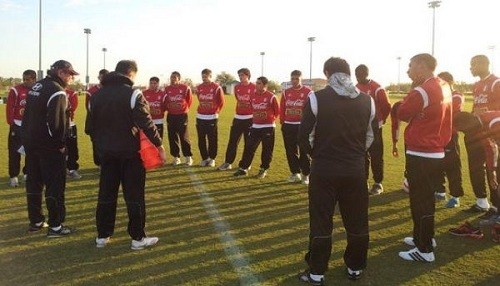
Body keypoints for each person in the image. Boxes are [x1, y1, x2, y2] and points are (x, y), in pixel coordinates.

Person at [297, 57, 376, 284]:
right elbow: (371, 137)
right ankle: (355, 267)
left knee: (321, 220)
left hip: (324, 169)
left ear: (327, 72)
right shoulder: (367, 101)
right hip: (354, 169)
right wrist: (353, 155)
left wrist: (318, 154)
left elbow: (303, 136)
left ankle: (317, 272)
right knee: (357, 220)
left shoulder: (316, 98)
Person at [87, 60, 166, 250]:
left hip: (106, 154)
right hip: (131, 154)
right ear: (131, 73)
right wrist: (159, 145)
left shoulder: (96, 96)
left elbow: (89, 128)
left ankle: (102, 236)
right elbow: (146, 124)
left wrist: (102, 145)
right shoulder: (134, 94)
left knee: (106, 194)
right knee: (134, 196)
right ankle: (138, 238)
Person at [396, 53, 452, 262]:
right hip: (434, 150)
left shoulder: (423, 89)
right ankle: (423, 237)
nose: (408, 70)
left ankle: (425, 249)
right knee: (424, 198)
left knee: (421, 200)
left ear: (421, 65)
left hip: (422, 151)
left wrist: (403, 102)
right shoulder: (443, 84)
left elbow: (402, 112)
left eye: (411, 66)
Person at [21, 60, 78, 236]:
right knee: (55, 186)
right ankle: (56, 226)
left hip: (31, 145)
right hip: (50, 148)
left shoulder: (37, 85)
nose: (71, 78)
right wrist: (61, 146)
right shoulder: (57, 91)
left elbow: (27, 117)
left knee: (34, 184)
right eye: (69, 74)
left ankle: (36, 221)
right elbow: (57, 125)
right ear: (61, 72)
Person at [465, 55, 500, 214]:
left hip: (491, 134)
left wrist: (486, 113)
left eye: (473, 65)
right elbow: (475, 107)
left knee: (492, 168)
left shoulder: (495, 83)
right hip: (475, 133)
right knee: (475, 167)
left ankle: (496, 205)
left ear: (483, 64)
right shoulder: (477, 85)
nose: (471, 68)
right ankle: (481, 201)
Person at [453, 111, 500, 225]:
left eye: (463, 129)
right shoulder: (479, 124)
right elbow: (490, 150)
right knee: (496, 177)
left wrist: (493, 171)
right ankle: (496, 209)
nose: (465, 133)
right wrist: (492, 171)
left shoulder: (494, 123)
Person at [233, 76, 280, 179]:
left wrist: (269, 120)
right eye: (256, 83)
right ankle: (243, 168)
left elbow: (277, 112)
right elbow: (252, 107)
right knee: (249, 147)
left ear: (265, 85)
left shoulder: (271, 97)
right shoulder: (252, 96)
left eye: (259, 83)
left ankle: (264, 169)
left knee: (267, 150)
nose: (256, 85)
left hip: (268, 127)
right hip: (255, 126)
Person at [355, 64, 391, 195]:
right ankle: (363, 181)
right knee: (362, 154)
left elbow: (387, 106)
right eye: (356, 76)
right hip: (361, 127)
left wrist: (381, 120)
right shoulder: (356, 88)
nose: (358, 78)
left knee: (376, 155)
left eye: (360, 75)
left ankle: (378, 183)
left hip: (375, 127)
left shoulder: (377, 88)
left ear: (366, 74)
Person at [435, 72, 465, 207]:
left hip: (451, 135)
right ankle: (440, 191)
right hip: (437, 135)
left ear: (449, 82)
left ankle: (455, 196)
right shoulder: (440, 95)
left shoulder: (456, 95)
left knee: (453, 165)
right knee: (438, 163)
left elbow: (450, 113)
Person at [217, 68, 255, 171]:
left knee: (248, 142)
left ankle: (245, 163)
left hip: (250, 118)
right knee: (233, 141)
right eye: (239, 75)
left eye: (242, 75)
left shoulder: (254, 87)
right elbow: (239, 100)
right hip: (238, 117)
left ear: (248, 75)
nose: (240, 77)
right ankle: (228, 162)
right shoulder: (237, 87)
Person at [280, 70, 312, 184]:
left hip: (302, 126)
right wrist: (283, 122)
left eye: (296, 79)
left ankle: (306, 174)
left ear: (301, 79)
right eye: (292, 79)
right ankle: (295, 173)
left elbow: (311, 110)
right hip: (288, 125)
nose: (294, 81)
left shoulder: (308, 92)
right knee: (290, 150)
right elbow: (282, 108)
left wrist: (308, 124)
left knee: (304, 151)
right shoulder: (285, 92)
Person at [6, 69, 36, 187]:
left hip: (31, 127)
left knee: (30, 152)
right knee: (14, 152)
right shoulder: (15, 90)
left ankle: (27, 173)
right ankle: (13, 176)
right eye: (24, 79)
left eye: (28, 79)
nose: (25, 81)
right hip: (17, 126)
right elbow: (10, 108)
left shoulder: (37, 90)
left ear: (34, 79)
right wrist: (11, 123)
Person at [195, 68, 225, 167]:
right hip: (200, 117)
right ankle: (204, 158)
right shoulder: (199, 87)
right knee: (201, 139)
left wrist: (215, 112)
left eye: (206, 76)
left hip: (212, 117)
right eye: (203, 77)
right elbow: (200, 99)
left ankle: (212, 158)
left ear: (211, 76)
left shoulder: (217, 87)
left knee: (212, 139)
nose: (204, 78)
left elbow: (221, 102)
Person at [163, 71, 193, 166]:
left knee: (184, 136)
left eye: (175, 77)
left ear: (179, 79)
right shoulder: (167, 89)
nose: (173, 79)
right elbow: (164, 101)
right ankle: (176, 157)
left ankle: (188, 157)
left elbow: (189, 100)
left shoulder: (185, 88)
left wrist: (183, 109)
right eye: (171, 77)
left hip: (182, 115)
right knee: (172, 137)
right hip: (171, 115)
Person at [85, 69, 109, 167]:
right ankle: (99, 164)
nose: (102, 79)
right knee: (96, 143)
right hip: (95, 122)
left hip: (109, 123)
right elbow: (88, 107)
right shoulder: (91, 91)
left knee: (109, 143)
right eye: (101, 77)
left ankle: (107, 163)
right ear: (98, 77)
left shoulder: (111, 90)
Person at [65, 88, 82, 179]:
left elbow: (72, 107)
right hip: (54, 126)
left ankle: (72, 169)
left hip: (70, 125)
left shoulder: (71, 93)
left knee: (72, 148)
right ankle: (60, 170)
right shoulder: (51, 91)